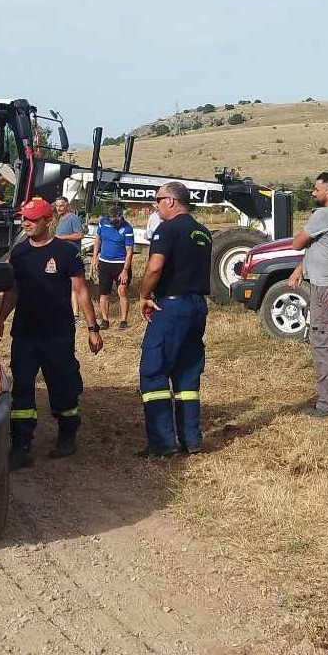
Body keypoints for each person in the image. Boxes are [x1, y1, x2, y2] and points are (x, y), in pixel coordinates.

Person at [0, 198, 102, 469]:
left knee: (63, 386)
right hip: (26, 334)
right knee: (23, 390)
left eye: (31, 219)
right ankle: (21, 445)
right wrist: (1, 319)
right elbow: (13, 290)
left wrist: (92, 328)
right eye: (23, 219)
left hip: (58, 334)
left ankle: (67, 433)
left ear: (47, 221)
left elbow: (82, 291)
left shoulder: (66, 252)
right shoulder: (18, 254)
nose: (25, 223)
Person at [136, 182, 212, 457]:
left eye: (158, 200)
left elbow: (155, 266)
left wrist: (143, 295)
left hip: (172, 306)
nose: (156, 205)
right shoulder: (202, 232)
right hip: (197, 307)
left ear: (171, 201)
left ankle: (163, 442)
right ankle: (191, 439)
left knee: (154, 371)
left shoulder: (166, 229)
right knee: (187, 373)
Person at [287, 171, 328, 418]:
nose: (313, 193)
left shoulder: (325, 215)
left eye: (316, 189)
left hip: (325, 287)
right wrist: (300, 268)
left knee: (324, 343)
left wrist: (299, 257)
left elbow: (298, 243)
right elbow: (321, 247)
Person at [93, 204, 135, 330]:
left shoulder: (127, 229)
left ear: (121, 217)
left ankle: (123, 321)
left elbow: (129, 252)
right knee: (103, 293)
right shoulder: (102, 223)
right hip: (105, 263)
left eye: (116, 222)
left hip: (121, 264)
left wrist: (125, 271)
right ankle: (105, 320)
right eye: (112, 222)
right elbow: (98, 239)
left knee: (122, 291)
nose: (114, 224)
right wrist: (95, 256)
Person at [53, 197, 85, 319]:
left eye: (61, 206)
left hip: (74, 255)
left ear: (66, 205)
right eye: (56, 206)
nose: (58, 208)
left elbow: (80, 235)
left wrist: (62, 237)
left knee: (75, 286)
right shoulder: (61, 219)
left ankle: (76, 314)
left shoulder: (73, 218)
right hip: (63, 256)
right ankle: (71, 312)